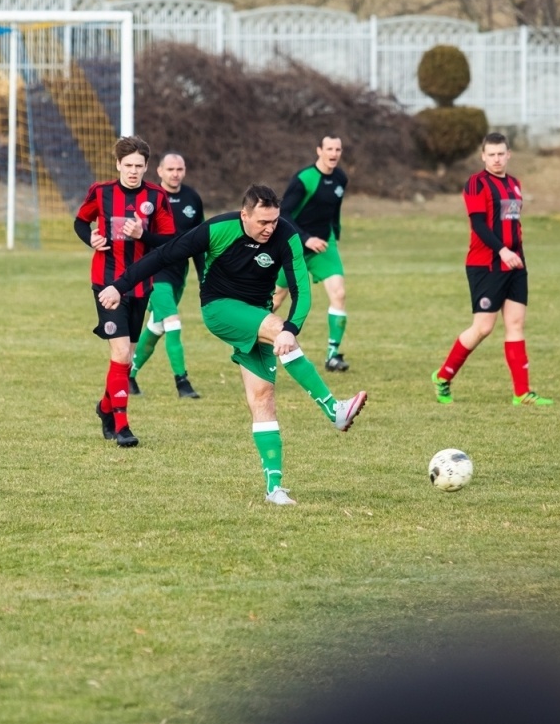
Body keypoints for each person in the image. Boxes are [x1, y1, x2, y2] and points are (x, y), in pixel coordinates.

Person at [97, 185, 368, 505]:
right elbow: (164, 254)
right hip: (220, 309)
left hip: (257, 313)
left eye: (274, 221)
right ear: (245, 215)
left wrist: (292, 328)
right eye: (262, 222)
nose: (270, 228)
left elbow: (301, 289)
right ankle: (333, 409)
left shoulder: (286, 234)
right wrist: (119, 285)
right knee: (276, 327)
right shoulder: (218, 228)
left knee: (263, 398)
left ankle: (274, 488)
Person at [431, 133, 553, 407]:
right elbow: (479, 225)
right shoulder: (476, 183)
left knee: (515, 324)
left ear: (509, 154)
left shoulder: (514, 184)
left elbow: (513, 223)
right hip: (485, 265)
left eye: (501, 154)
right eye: (492, 154)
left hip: (515, 264)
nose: (497, 159)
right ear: (483, 156)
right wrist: (502, 251)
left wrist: (516, 253)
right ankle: (442, 377)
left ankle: (522, 393)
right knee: (483, 327)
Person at [75, 137, 176, 448]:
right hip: (106, 283)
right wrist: (90, 239)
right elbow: (81, 221)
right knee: (119, 354)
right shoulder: (101, 192)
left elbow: (170, 242)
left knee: (127, 359)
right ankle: (122, 426)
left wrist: (142, 233)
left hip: (141, 284)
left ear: (147, 167)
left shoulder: (156, 196)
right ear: (117, 164)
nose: (133, 171)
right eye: (128, 165)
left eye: (139, 166)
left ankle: (105, 408)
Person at [128, 153, 204, 399]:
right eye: (170, 169)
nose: (175, 173)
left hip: (177, 274)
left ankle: (128, 374)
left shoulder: (193, 198)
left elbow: (199, 242)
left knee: (157, 326)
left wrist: (204, 278)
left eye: (179, 169)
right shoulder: (147, 198)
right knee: (173, 322)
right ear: (159, 171)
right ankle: (182, 382)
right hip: (152, 271)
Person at [280, 135, 351, 372]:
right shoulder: (304, 179)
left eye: (338, 149)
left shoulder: (341, 178)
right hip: (294, 243)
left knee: (339, 293)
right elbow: (284, 214)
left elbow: (334, 210)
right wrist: (305, 238)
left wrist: (335, 233)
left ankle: (332, 355)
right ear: (319, 150)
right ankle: (250, 342)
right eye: (329, 148)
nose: (333, 153)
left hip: (323, 244)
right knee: (276, 298)